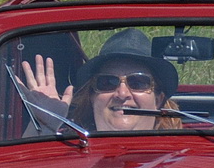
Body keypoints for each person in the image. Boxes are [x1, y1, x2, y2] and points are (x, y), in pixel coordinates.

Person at [19, 28, 181, 132]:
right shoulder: (69, 151)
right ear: (91, 96)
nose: (122, 93)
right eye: (107, 83)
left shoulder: (181, 157)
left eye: (138, 83)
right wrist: (46, 125)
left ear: (158, 100)